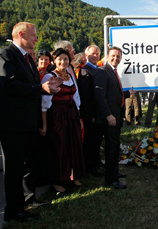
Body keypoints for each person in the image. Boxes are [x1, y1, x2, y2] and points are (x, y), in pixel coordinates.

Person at [0, 22, 61, 222]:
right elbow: (8, 85)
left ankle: (23, 203)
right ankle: (13, 211)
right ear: (20, 34)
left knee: (24, 166)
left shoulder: (26, 58)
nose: (36, 38)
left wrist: (48, 85)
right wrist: (40, 89)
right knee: (14, 169)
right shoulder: (7, 54)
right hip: (13, 124)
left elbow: (34, 85)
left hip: (27, 123)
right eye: (33, 35)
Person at [40, 48, 85, 193]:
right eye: (59, 59)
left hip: (71, 115)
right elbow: (44, 104)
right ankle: (58, 180)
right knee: (60, 147)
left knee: (74, 144)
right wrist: (45, 125)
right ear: (54, 61)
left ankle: (74, 175)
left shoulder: (70, 75)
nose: (63, 62)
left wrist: (79, 117)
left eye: (65, 59)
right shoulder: (49, 77)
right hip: (57, 116)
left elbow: (76, 97)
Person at [94, 46, 127, 189]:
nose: (116, 58)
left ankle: (114, 172)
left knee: (115, 145)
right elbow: (100, 96)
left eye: (118, 56)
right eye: (113, 56)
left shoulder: (113, 71)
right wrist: (108, 115)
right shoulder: (102, 71)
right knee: (111, 147)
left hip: (116, 116)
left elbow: (113, 93)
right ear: (107, 56)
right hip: (110, 117)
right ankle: (111, 179)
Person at [77, 45, 104, 177]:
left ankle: (96, 162)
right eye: (93, 53)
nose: (95, 56)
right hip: (91, 114)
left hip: (99, 112)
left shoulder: (98, 69)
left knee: (97, 140)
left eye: (97, 54)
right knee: (90, 141)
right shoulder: (85, 72)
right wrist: (90, 115)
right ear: (86, 55)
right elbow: (86, 97)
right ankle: (90, 167)